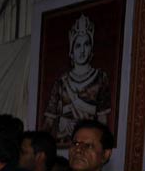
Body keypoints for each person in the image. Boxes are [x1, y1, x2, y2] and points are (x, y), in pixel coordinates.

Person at [41, 15, 111, 147]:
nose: (82, 50)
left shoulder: (100, 78)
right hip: (62, 145)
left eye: (86, 44)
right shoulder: (61, 82)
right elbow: (49, 122)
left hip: (88, 146)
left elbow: (102, 121)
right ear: (72, 50)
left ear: (91, 48)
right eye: (78, 45)